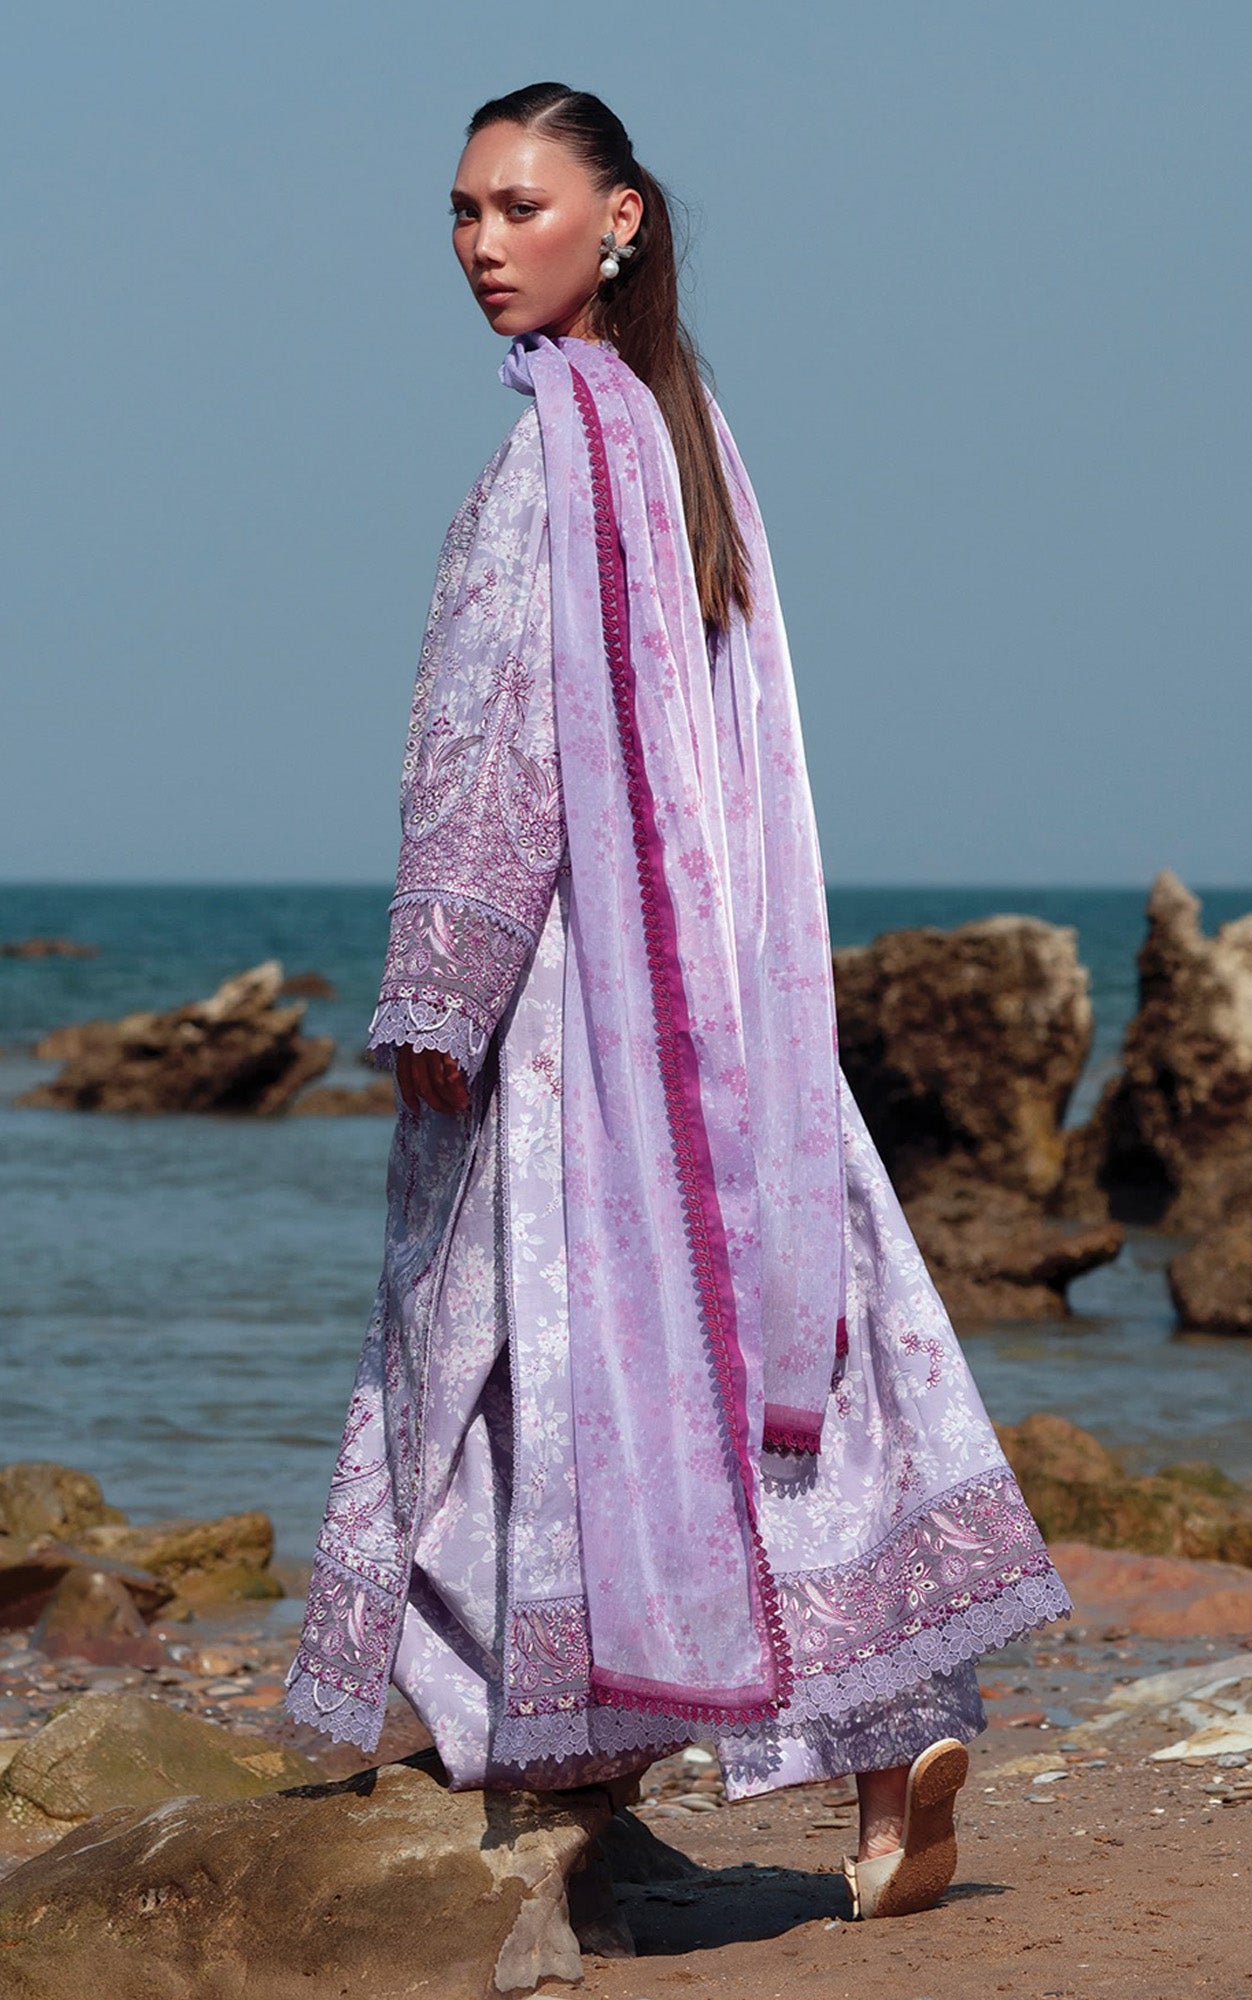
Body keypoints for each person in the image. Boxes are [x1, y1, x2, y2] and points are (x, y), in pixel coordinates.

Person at [283, 81, 1070, 1920]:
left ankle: (557, 1726)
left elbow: (495, 745)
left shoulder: (555, 455)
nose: (483, 246)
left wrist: (438, 993)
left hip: (580, 1008)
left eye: (521, 207)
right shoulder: (688, 440)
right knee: (770, 1351)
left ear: (619, 217)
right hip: (728, 994)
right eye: (462, 212)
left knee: (524, 1355)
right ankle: (889, 1747)